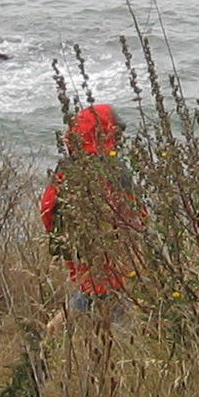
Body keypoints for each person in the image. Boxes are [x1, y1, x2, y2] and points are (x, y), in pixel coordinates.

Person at [40, 101, 143, 315]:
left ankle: (58, 329)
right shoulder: (114, 171)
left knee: (88, 294)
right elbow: (137, 217)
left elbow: (47, 209)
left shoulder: (66, 168)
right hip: (114, 262)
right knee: (113, 306)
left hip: (78, 256)